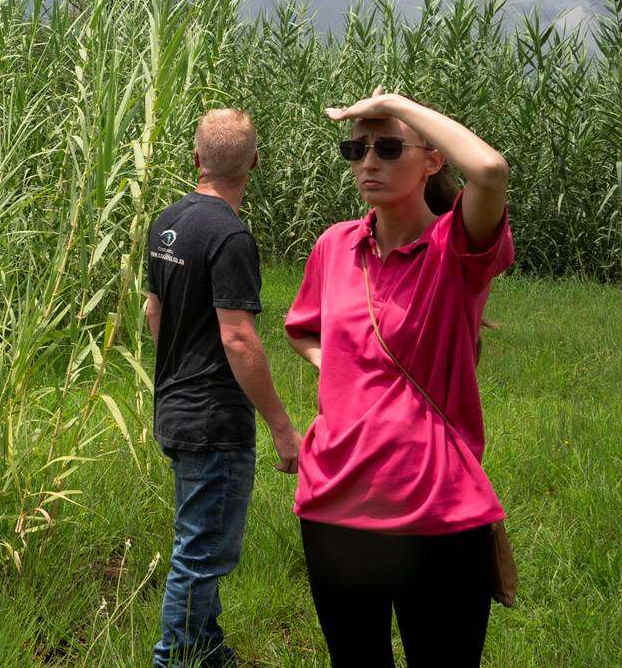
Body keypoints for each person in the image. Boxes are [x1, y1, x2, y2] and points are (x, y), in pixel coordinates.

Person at [284, 88, 513, 667]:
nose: (368, 163)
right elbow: (302, 329)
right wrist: (343, 364)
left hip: (436, 511)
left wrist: (395, 102)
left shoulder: (453, 248)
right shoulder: (335, 247)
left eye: (388, 148)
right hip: (335, 507)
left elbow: (488, 170)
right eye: (356, 149)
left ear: (432, 158)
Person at [146, 108, 303, 668]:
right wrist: (284, 428)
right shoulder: (231, 236)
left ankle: (208, 653)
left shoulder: (167, 222)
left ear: (196, 159)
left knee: (201, 539)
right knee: (202, 553)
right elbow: (239, 338)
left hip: (174, 407)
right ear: (255, 163)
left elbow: (154, 311)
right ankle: (175, 660)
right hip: (213, 420)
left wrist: (174, 377)